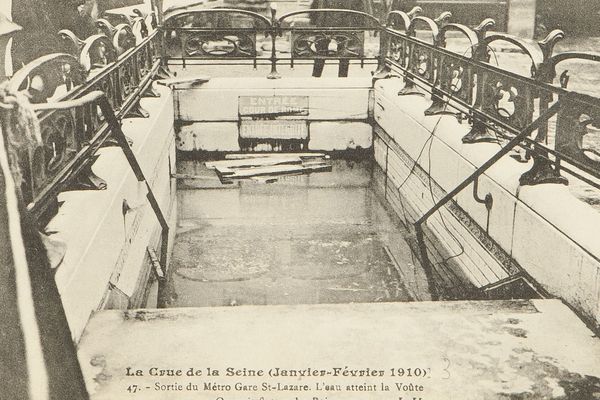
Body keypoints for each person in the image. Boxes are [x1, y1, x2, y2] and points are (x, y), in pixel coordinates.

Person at [310, 0, 373, 77]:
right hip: (338, 21)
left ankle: (317, 75)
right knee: (338, 49)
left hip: (331, 21)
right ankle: (339, 76)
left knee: (330, 48)